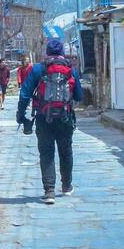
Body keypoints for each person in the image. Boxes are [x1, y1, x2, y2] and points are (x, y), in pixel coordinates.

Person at [16, 36, 83, 204]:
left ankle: (49, 191)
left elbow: (24, 93)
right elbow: (79, 96)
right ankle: (67, 186)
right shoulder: (70, 70)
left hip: (43, 118)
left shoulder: (38, 69)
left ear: (47, 53)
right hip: (65, 117)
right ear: (62, 53)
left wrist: (20, 115)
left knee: (46, 153)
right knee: (65, 150)